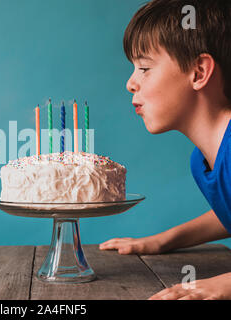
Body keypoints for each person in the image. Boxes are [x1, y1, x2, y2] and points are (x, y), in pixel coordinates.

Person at [99, 0, 231, 300]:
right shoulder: (202, 160)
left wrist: (222, 285)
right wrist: (162, 241)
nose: (131, 83)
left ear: (198, 72)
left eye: (144, 68)